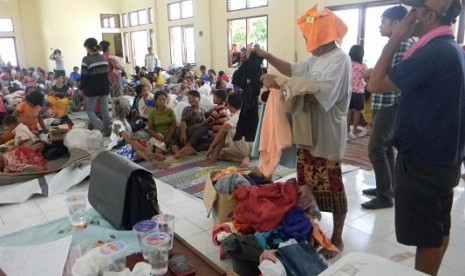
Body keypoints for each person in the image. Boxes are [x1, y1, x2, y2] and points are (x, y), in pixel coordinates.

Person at [367, 0, 465, 274]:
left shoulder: (433, 53)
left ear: (429, 15)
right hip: (441, 158)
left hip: (425, 161)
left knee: (428, 236)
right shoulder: (449, 48)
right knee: (438, 227)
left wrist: (396, 38)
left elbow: (374, 84)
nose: (408, 17)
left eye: (414, 11)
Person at [255, 5, 350, 259]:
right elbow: (294, 70)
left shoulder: (339, 59)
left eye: (309, 34)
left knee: (332, 189)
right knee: (306, 186)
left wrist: (280, 82)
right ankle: (309, 230)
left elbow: (320, 93)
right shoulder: (318, 58)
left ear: (321, 35)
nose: (307, 40)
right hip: (307, 134)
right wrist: (267, 56)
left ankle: (338, 235)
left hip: (327, 136)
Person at [361, 6, 415, 210]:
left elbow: (393, 75)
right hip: (385, 103)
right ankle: (388, 187)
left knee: (375, 148)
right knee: (385, 148)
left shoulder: (401, 44)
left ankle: (385, 196)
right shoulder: (397, 44)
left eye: (384, 21)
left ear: (396, 23)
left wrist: (371, 74)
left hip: (390, 104)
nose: (380, 26)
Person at [107, 97, 167, 169]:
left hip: (126, 148)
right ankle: (154, 162)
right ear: (126, 108)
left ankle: (154, 156)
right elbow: (129, 140)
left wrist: (142, 145)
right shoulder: (117, 123)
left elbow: (132, 138)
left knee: (145, 144)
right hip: (116, 151)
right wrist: (144, 148)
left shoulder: (124, 121)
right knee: (135, 146)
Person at [204, 92, 252, 167]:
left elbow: (223, 129)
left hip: (244, 148)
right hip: (252, 148)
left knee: (224, 131)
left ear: (229, 104)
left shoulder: (236, 116)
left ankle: (213, 160)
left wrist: (212, 146)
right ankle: (243, 158)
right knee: (220, 153)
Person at [80, 38, 111, 136]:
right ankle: (108, 131)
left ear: (88, 48)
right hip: (104, 88)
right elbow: (106, 72)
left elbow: (84, 76)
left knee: (89, 110)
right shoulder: (103, 58)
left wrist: (81, 88)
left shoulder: (86, 59)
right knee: (105, 110)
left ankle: (98, 127)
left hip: (92, 90)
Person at [175, 90, 210, 158]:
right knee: (205, 126)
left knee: (212, 142)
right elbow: (183, 121)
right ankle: (188, 145)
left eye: (193, 97)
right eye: (189, 98)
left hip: (196, 137)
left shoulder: (203, 111)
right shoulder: (188, 109)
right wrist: (183, 133)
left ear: (199, 98)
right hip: (187, 132)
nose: (191, 100)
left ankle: (190, 148)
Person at [147, 90, 179, 156]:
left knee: (176, 151)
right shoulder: (152, 113)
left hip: (170, 136)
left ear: (167, 100)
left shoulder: (170, 111)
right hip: (158, 137)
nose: (162, 101)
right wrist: (156, 136)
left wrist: (169, 137)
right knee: (159, 152)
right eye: (160, 99)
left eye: (164, 99)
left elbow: (174, 125)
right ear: (156, 101)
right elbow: (150, 129)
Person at [347, 45, 368, 138]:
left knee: (348, 110)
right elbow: (366, 78)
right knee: (357, 111)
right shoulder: (363, 66)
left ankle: (347, 129)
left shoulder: (348, 64)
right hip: (359, 92)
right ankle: (355, 129)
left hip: (348, 91)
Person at [99, 40, 123, 118]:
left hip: (105, 78)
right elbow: (116, 65)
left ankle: (113, 113)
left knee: (112, 97)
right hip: (114, 77)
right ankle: (118, 114)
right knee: (118, 96)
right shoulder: (110, 56)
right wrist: (122, 68)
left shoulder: (100, 57)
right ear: (108, 47)